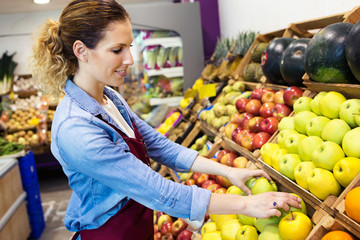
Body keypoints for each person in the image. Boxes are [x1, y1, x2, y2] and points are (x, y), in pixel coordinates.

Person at [29, 0, 301, 239]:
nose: (130, 59)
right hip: (109, 234)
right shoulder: (76, 128)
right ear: (81, 51)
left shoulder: (110, 97)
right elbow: (160, 192)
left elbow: (160, 146)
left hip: (138, 227)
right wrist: (246, 206)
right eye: (117, 50)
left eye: (130, 47)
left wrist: (228, 171)